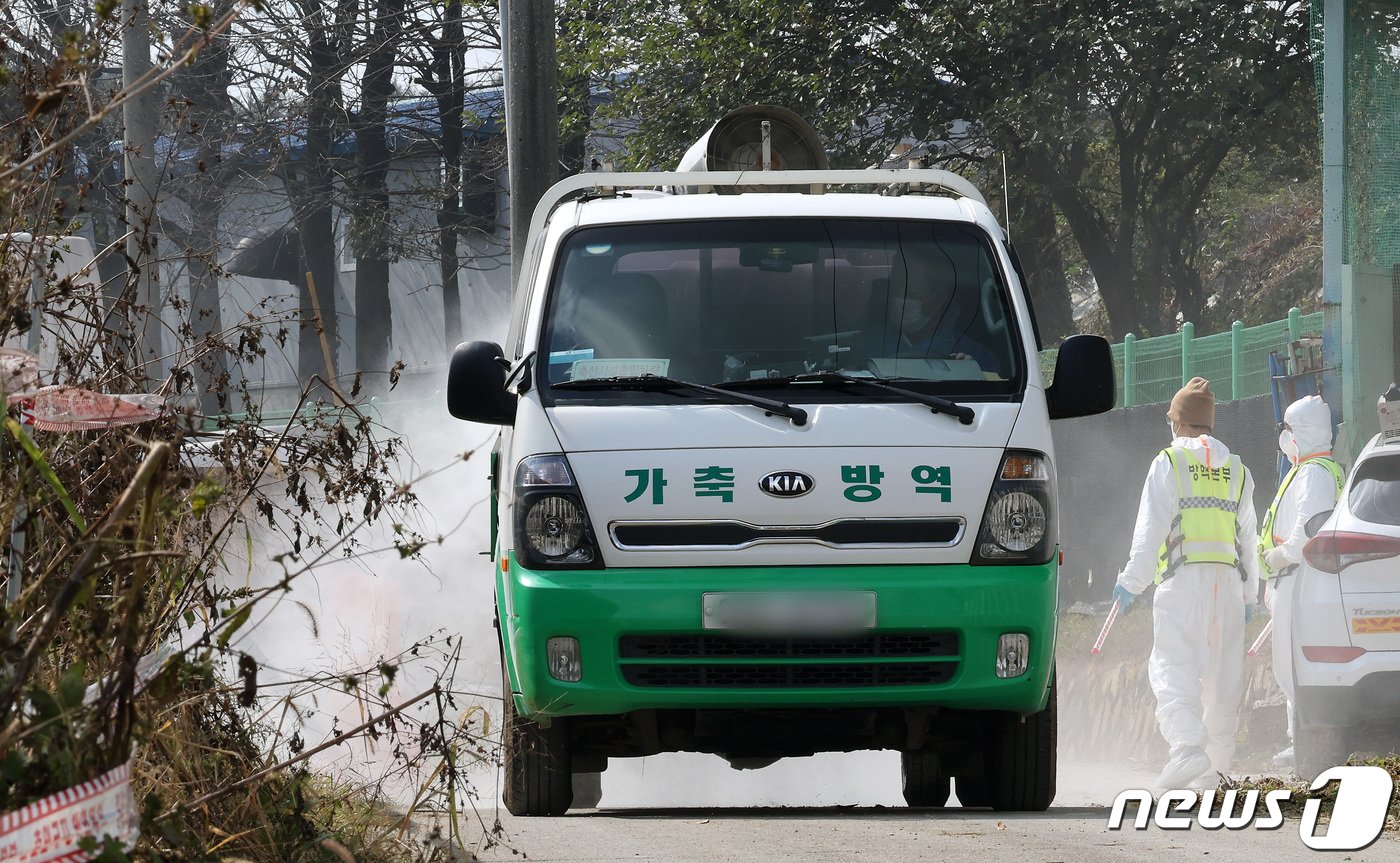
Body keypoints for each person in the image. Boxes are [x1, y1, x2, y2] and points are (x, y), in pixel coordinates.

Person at [1112, 377, 1260, 788]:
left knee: (1172, 667)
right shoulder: (1237, 469)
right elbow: (1249, 536)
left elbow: (1150, 531)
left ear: (1179, 422)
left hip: (1181, 584)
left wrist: (1132, 582)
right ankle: (1213, 773)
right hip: (1229, 588)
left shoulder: (1169, 463)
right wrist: (1251, 594)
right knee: (1222, 676)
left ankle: (1187, 750)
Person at [1257, 395, 1344, 769]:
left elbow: (1309, 526)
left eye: (1289, 430)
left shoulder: (1312, 473)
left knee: (1291, 666)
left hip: (1297, 577)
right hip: (1293, 579)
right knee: (1288, 665)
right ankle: (1299, 740)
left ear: (1302, 433)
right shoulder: (1317, 468)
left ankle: (1305, 743)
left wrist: (1282, 555)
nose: (1284, 437)